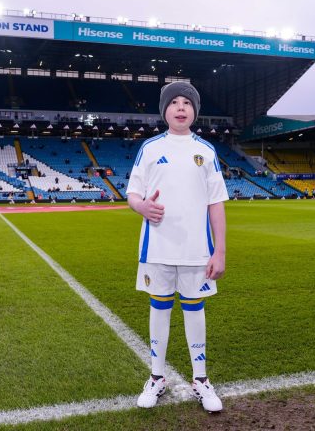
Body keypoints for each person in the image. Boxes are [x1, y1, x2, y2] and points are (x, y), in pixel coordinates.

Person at [126, 81, 228, 412]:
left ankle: (201, 379)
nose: (181, 107)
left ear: (195, 111)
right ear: (165, 110)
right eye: (174, 102)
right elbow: (133, 194)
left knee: (194, 308)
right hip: (157, 247)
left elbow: (216, 204)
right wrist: (141, 206)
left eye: (187, 102)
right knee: (159, 308)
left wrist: (220, 251)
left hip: (197, 250)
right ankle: (157, 377)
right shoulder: (150, 148)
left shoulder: (207, 151)